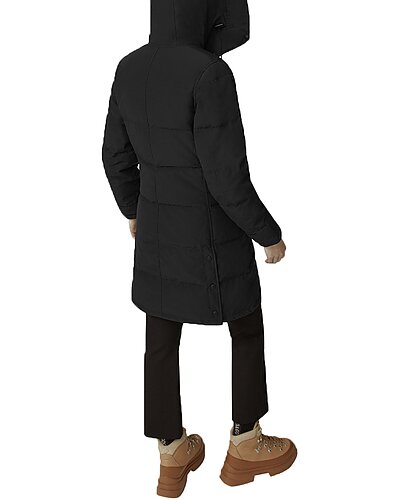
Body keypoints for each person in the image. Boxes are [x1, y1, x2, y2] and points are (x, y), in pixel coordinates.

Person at [102, 0, 297, 496]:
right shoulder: (209, 73)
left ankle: (171, 455)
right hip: (214, 233)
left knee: (160, 340)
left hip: (157, 231)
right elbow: (226, 175)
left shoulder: (128, 67)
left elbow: (114, 154)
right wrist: (267, 233)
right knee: (246, 327)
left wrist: (133, 210)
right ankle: (246, 443)